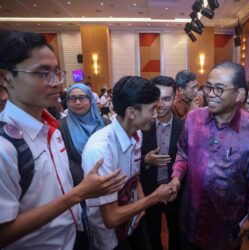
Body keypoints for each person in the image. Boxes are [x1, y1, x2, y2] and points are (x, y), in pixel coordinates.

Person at [0, 30, 126, 249]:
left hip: (74, 236)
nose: (55, 83)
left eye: (57, 72)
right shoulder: (5, 146)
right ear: (6, 78)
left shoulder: (52, 128)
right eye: (42, 73)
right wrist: (78, 195)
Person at [168, 61, 249, 250]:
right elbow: (182, 153)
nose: (210, 94)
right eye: (208, 87)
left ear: (239, 94)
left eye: (219, 89)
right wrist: (176, 177)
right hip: (190, 220)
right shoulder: (193, 118)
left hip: (225, 230)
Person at [82, 76, 174, 250]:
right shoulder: (100, 150)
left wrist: (140, 201)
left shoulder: (136, 134)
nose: (155, 115)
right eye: (152, 109)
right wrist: (153, 198)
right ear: (132, 112)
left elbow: (134, 174)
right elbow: (111, 218)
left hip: (133, 222)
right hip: (111, 239)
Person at [59, 83, 115, 249]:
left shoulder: (104, 122)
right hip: (80, 188)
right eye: (72, 98)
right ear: (67, 102)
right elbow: (65, 159)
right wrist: (88, 181)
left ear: (90, 100)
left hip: (107, 184)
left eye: (82, 97)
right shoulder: (61, 126)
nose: (77, 102)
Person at [140, 76, 184, 250]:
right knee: (152, 233)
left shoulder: (184, 127)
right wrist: (146, 160)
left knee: (177, 232)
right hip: (149, 190)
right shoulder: (141, 126)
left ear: (175, 98)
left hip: (176, 191)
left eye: (166, 98)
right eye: (156, 98)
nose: (160, 104)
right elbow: (129, 159)